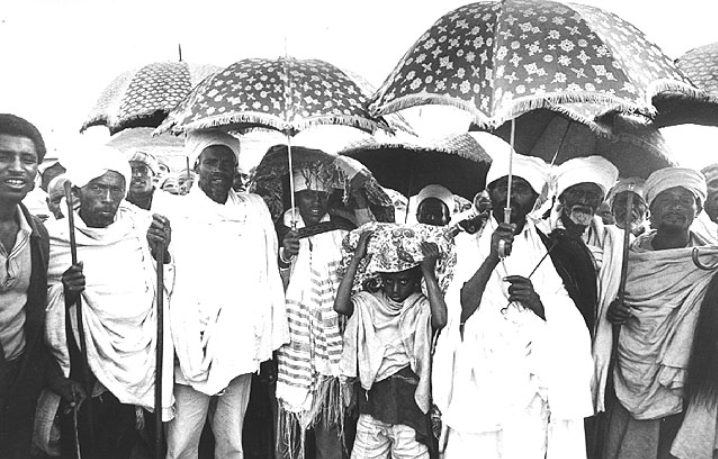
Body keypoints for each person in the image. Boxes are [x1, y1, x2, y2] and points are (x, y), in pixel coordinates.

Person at [433, 153, 593, 459]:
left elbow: (569, 316)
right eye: (501, 187)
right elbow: (460, 310)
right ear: (489, 193)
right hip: (477, 373)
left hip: (530, 375)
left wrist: (535, 300)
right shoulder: (466, 239)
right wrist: (492, 256)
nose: (509, 195)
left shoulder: (550, 246)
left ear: (534, 198)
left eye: (519, 187)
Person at [44, 142, 173, 459]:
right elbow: (44, 305)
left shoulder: (139, 228)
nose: (107, 198)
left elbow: (164, 282)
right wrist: (66, 293)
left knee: (137, 442)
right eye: (98, 188)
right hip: (88, 367)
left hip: (142, 356)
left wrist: (162, 252)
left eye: (116, 190)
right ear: (77, 191)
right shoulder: (57, 238)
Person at [165, 129, 288, 459]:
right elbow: (166, 274)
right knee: (183, 438)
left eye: (226, 163)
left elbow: (265, 269)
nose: (219, 170)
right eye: (211, 162)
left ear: (236, 168)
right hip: (191, 337)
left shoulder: (254, 209)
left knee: (232, 435)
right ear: (196, 166)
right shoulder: (176, 211)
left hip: (239, 335)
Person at [602, 167, 718, 459]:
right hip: (634, 366)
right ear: (651, 208)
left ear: (698, 208)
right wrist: (613, 312)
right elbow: (602, 302)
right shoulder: (627, 258)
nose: (676, 206)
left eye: (685, 199)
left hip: (688, 370)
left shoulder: (711, 261)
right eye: (667, 199)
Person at [275, 152, 376, 459]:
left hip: (332, 343)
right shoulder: (282, 231)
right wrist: (283, 257)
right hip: (293, 342)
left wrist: (357, 193)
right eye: (308, 196)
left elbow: (369, 238)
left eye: (321, 196)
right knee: (288, 429)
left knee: (330, 430)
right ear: (297, 197)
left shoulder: (341, 231)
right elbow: (273, 288)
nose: (315, 204)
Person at [0, 114, 77, 458]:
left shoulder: (38, 236)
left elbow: (33, 314)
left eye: (27, 159)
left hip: (17, 384)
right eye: (3, 156)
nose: (16, 167)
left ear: (36, 174)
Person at [335, 227, 447, 459]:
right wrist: (357, 257)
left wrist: (428, 271)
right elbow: (340, 306)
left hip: (408, 406)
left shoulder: (420, 306)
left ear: (415, 280)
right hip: (374, 403)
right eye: (389, 281)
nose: (395, 289)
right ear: (380, 279)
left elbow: (441, 318)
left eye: (403, 281)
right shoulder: (369, 303)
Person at [539, 156, 621, 414]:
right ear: (561, 198)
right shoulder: (539, 234)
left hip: (595, 334)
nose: (585, 201)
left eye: (592, 195)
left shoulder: (613, 240)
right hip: (548, 336)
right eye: (577, 193)